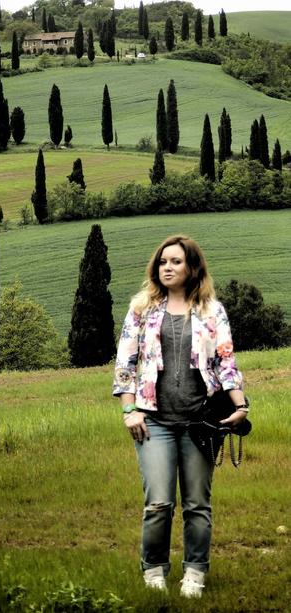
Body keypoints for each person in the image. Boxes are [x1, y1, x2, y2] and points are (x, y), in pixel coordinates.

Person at [113, 235, 249, 598]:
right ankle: (154, 568)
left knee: (197, 505)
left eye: (175, 261)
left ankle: (195, 572)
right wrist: (129, 410)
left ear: (192, 268)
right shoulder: (141, 308)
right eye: (162, 262)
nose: (167, 267)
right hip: (153, 421)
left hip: (198, 421)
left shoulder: (212, 310)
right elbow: (124, 365)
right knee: (159, 502)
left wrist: (241, 406)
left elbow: (226, 362)